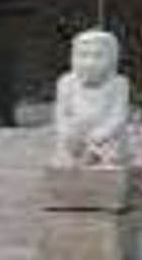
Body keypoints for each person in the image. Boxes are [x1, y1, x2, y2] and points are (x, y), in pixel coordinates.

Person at [51, 28, 131, 168]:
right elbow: (62, 114)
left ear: (112, 58)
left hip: (105, 138)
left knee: (112, 154)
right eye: (83, 55)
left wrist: (102, 133)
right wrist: (67, 132)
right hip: (76, 136)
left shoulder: (119, 84)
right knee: (68, 152)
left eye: (98, 56)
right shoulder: (66, 82)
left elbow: (119, 116)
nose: (90, 62)